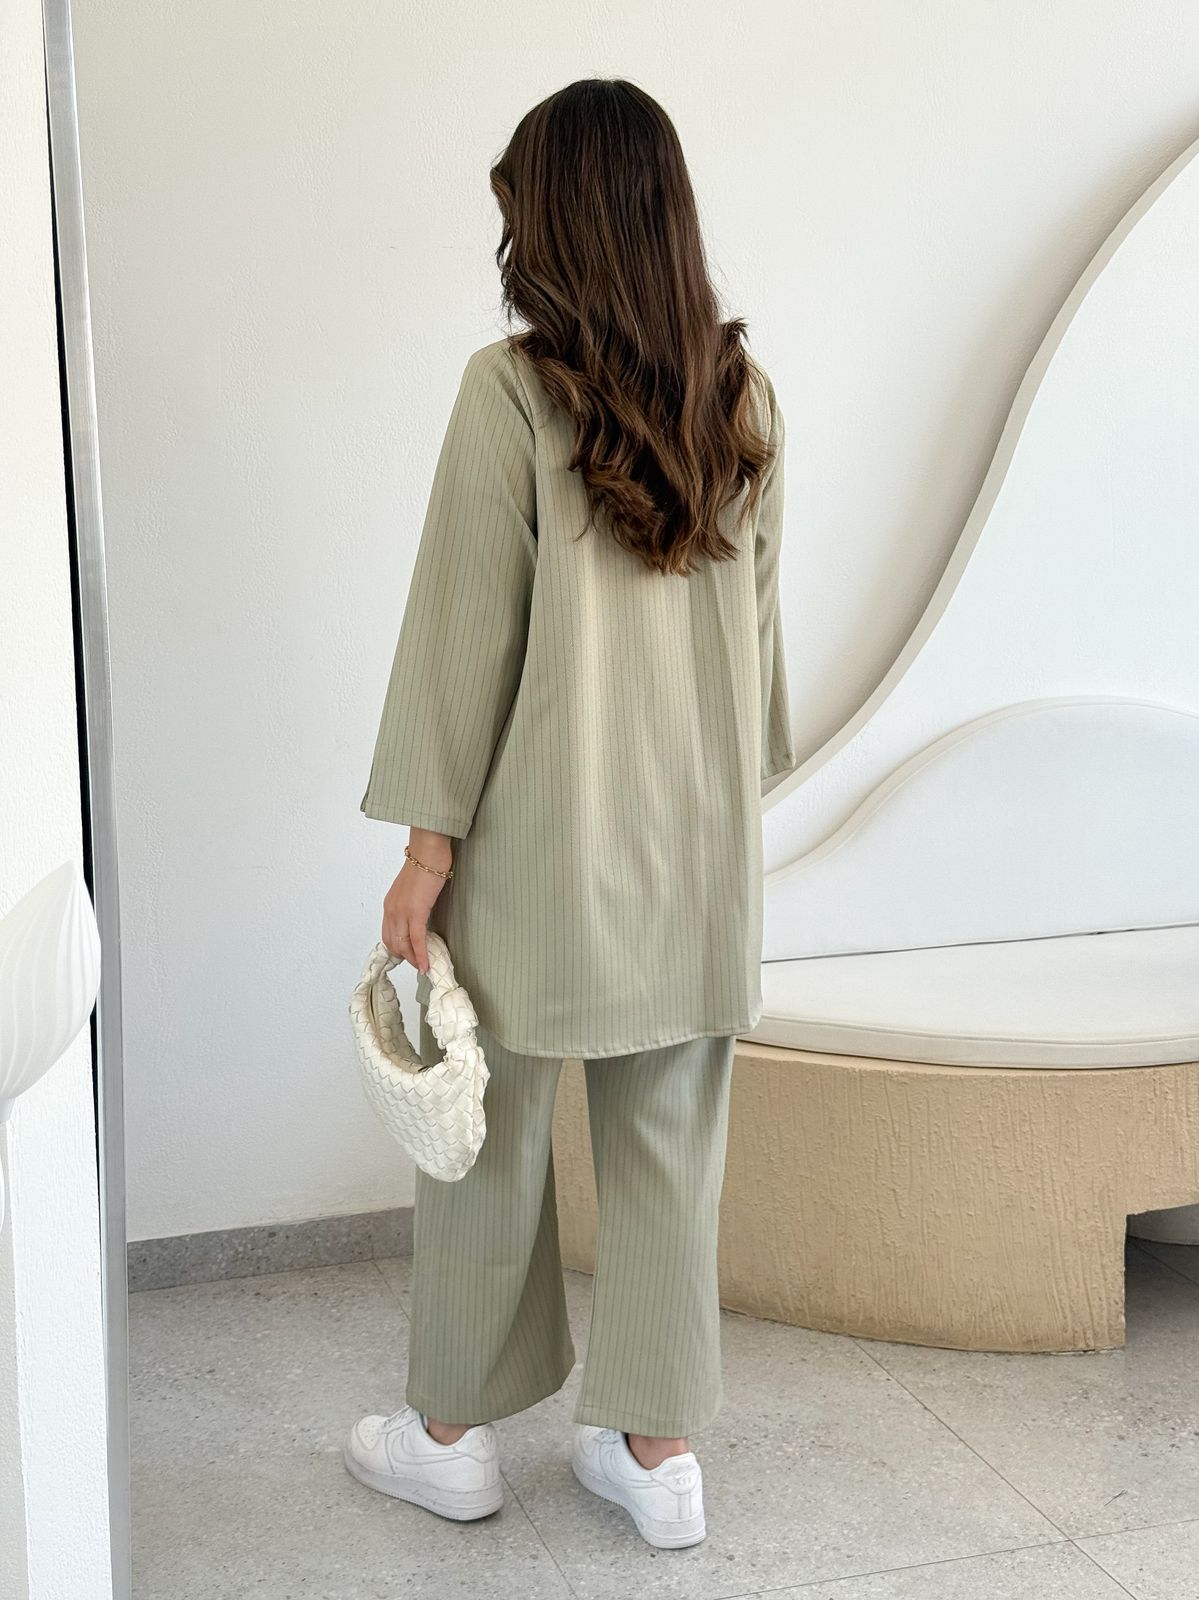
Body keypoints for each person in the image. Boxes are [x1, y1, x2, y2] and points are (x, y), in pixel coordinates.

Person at [344, 76, 794, 1551]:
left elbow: (458, 639)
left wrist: (424, 857)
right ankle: (660, 1461)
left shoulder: (510, 394)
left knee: (481, 1131)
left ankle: (450, 1442)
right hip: (698, 852)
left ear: (556, 225)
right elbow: (756, 656)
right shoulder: (743, 400)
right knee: (671, 1146)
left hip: (538, 848)